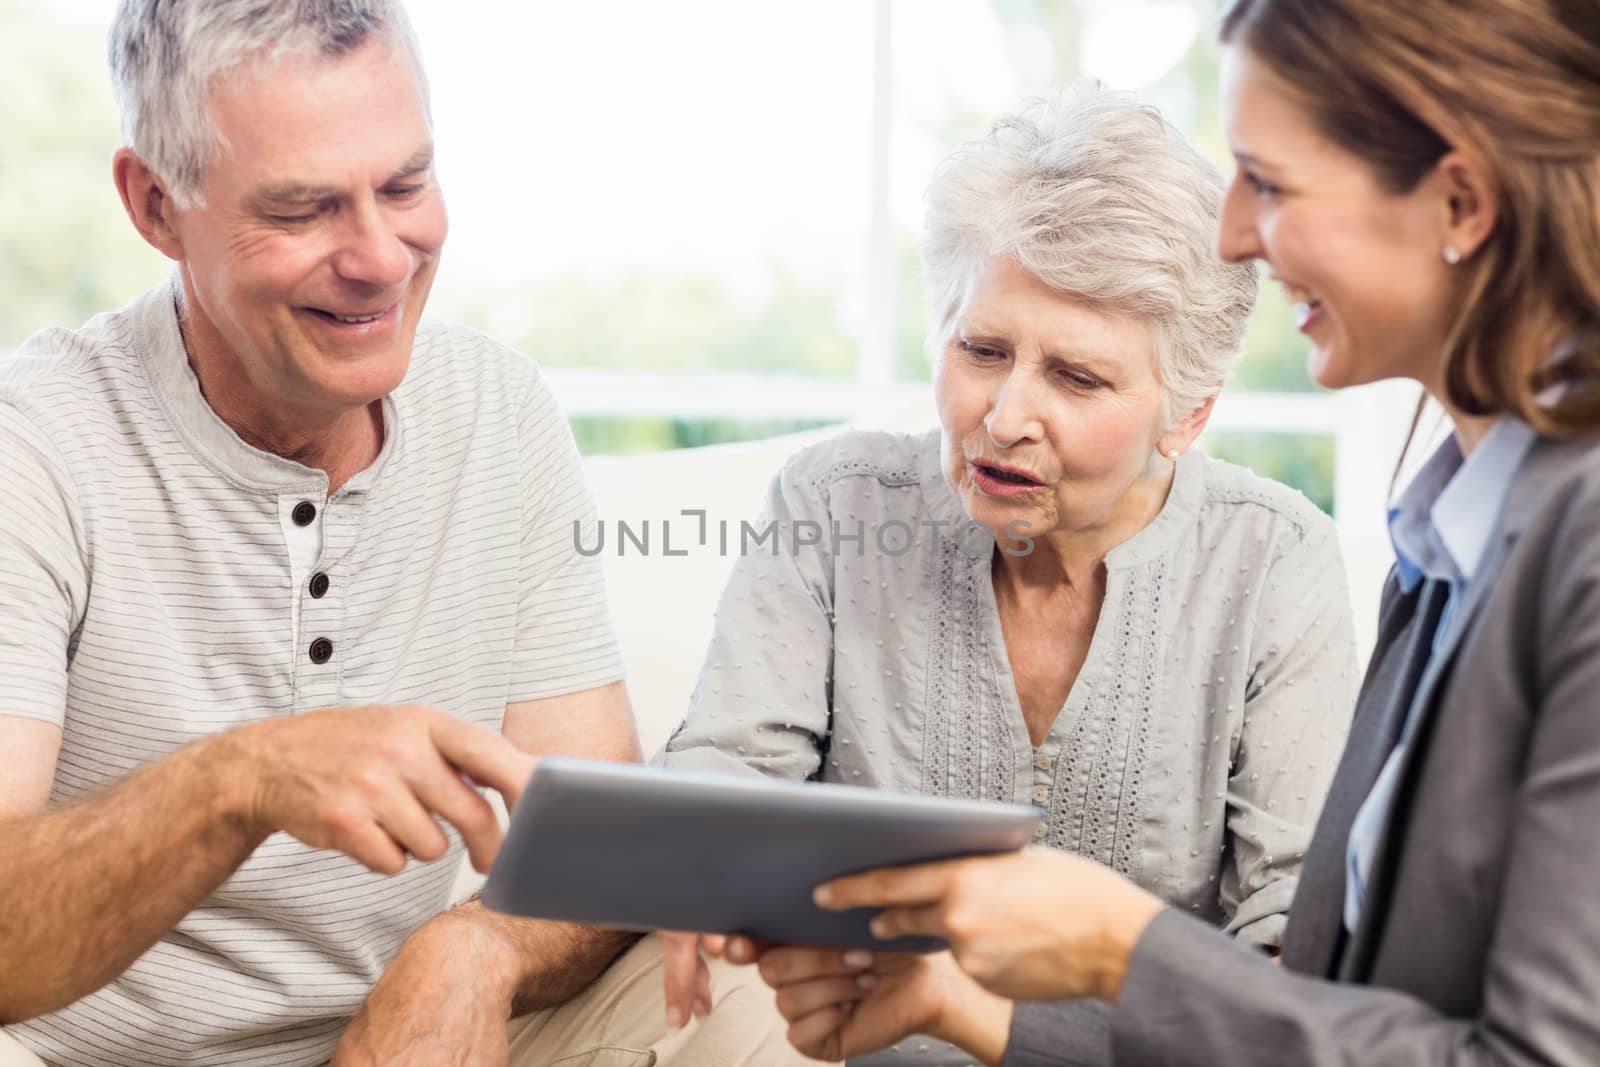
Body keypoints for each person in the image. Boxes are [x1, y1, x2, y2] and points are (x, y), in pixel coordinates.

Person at [749, 0, 1600, 1064]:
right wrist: (967, 1004)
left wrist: (1122, 945)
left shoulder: (1552, 548)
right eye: (982, 347)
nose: (1234, 231)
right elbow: (1338, 1014)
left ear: (1460, 204)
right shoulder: (1446, 543)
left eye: (1272, 182)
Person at [0, 2, 802, 1064]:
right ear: (156, 204)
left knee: (766, 983)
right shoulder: (37, 440)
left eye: (406, 184)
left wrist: (469, 956)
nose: (382, 257)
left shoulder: (498, 410)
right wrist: (242, 777)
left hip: (430, 1032)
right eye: (303, 208)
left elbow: (601, 836)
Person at [657, 91, 1360, 1065]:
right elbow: (727, 763)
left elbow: (1292, 939)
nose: (1004, 415)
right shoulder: (834, 501)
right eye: (981, 350)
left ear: (1187, 413)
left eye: (1076, 378)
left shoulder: (1275, 561)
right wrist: (690, 858)